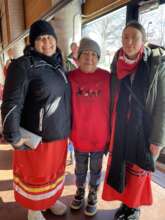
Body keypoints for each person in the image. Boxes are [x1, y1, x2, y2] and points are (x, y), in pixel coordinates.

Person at [1, 20, 71, 220]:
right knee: (36, 176)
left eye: (50, 37)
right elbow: (11, 103)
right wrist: (13, 135)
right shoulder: (22, 65)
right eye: (41, 38)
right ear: (32, 43)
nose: (46, 42)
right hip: (36, 138)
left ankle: (49, 201)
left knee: (53, 174)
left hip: (59, 134)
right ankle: (34, 209)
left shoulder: (58, 65)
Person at [102, 21, 165, 220]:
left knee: (137, 171)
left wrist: (157, 140)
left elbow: (163, 105)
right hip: (120, 128)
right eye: (125, 37)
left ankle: (134, 207)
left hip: (143, 130)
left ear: (143, 41)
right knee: (122, 168)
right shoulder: (116, 63)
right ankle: (125, 204)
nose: (129, 42)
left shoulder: (157, 65)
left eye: (134, 37)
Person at [68, 37, 110, 216]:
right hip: (78, 134)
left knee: (96, 168)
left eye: (94, 54)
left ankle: (93, 193)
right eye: (85, 53)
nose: (89, 57)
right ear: (78, 56)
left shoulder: (107, 77)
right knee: (80, 167)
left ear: (98, 58)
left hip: (100, 135)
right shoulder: (70, 77)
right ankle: (79, 190)